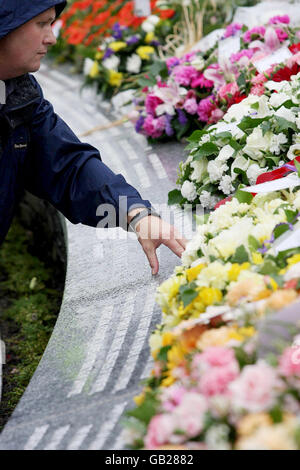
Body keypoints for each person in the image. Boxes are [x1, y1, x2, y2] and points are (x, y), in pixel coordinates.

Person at [0, 0, 187, 275]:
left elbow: (69, 166)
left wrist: (136, 214)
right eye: (41, 24)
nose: (51, 38)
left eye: (51, 23)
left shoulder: (20, 97)